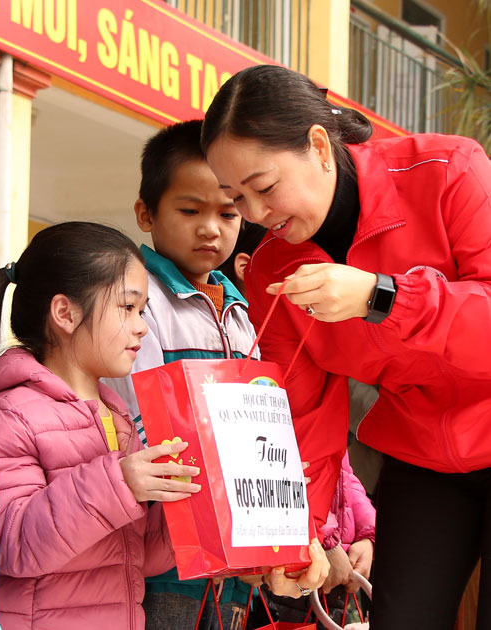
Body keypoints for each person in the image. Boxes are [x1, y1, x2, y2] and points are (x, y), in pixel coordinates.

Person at [202, 63, 491, 629]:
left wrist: (383, 298)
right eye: (237, 198)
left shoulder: (449, 170)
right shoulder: (273, 272)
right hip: (423, 455)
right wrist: (297, 537)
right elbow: (302, 418)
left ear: (317, 146)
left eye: (264, 187)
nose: (257, 215)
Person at [0, 221, 200, 629]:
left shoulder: (117, 418)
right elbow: (13, 544)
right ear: (65, 313)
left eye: (142, 311)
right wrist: (120, 484)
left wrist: (186, 496)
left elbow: (137, 557)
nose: (142, 325)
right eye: (127, 308)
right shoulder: (12, 415)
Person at [103, 120, 258, 630]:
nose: (211, 227)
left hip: (233, 554)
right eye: (190, 210)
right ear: (146, 213)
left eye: (227, 212)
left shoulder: (239, 309)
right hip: (168, 550)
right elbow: (139, 412)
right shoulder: (137, 297)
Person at [221, 224, 377, 629]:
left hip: (319, 549)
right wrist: (325, 541)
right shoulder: (266, 350)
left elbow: (342, 469)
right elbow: (291, 458)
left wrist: (366, 534)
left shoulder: (315, 354)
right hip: (297, 547)